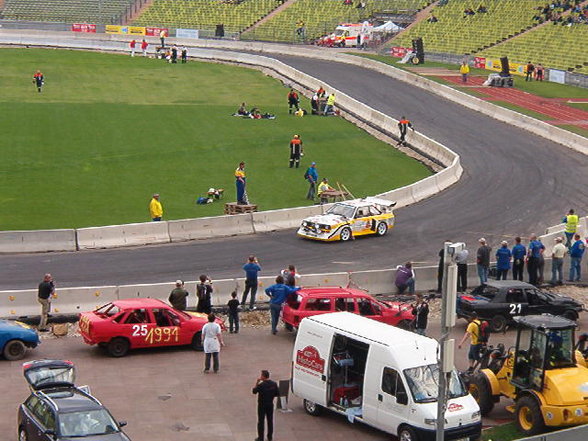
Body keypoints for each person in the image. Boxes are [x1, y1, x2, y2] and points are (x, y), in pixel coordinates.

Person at [252, 370, 279, 441]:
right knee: (270, 421)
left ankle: (261, 438)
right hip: (270, 404)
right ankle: (270, 437)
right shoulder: (274, 384)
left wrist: (257, 383)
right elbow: (277, 393)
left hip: (262, 405)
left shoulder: (261, 385)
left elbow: (254, 391)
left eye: (261, 375)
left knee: (261, 421)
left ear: (263, 376)